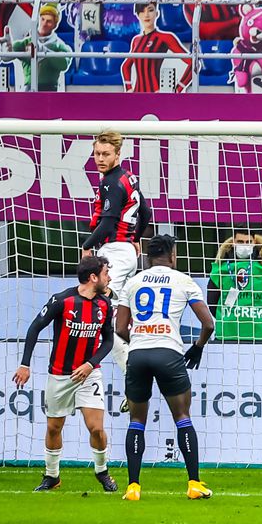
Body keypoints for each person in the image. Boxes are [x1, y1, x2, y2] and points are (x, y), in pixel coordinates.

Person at [115, 234, 215, 501]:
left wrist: (138, 339)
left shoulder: (133, 282)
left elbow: (119, 328)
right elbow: (208, 324)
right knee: (182, 417)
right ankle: (194, 483)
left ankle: (133, 487)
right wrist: (198, 346)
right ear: (172, 255)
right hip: (168, 353)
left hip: (137, 355)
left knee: (137, 421)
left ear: (147, 257)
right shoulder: (183, 281)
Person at [12, 255, 117, 493]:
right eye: (105, 273)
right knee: (53, 428)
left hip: (89, 375)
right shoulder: (62, 300)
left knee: (96, 429)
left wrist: (91, 363)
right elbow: (35, 327)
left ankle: (102, 471)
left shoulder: (105, 305)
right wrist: (25, 364)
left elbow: (109, 340)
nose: (109, 277)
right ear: (93, 278)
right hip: (60, 375)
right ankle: (52, 476)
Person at [81, 129, 151, 373]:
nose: (100, 159)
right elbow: (146, 212)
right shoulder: (128, 177)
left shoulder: (111, 182)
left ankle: (133, 376)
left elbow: (108, 224)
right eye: (97, 154)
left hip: (114, 252)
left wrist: (87, 246)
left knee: (107, 316)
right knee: (118, 311)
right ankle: (138, 362)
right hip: (127, 252)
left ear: (118, 153)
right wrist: (136, 238)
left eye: (106, 154)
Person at [207, 230, 262, 342]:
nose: (244, 246)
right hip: (227, 335)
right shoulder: (220, 269)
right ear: (233, 242)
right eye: (240, 242)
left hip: (261, 336)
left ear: (254, 242)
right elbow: (212, 302)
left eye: (248, 242)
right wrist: (228, 318)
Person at [121, 0, 193, 92]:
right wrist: (128, 88)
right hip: (137, 95)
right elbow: (125, 66)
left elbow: (193, 63)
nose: (146, 15)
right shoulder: (136, 40)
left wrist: (178, 88)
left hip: (157, 94)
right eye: (142, 11)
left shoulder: (165, 37)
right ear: (138, 15)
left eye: (150, 10)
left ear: (157, 13)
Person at [0, 2, 72, 92]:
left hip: (50, 90)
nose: (44, 24)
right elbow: (8, 56)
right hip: (28, 90)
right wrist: (6, 48)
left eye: (49, 21)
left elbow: (64, 64)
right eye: (42, 19)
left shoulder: (60, 46)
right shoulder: (25, 42)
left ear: (55, 25)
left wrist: (43, 50)